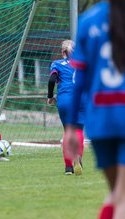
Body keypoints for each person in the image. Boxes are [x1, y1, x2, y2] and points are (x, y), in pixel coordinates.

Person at [64, 1, 125, 219]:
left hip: (100, 122)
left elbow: (79, 81)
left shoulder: (88, 21)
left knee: (116, 192)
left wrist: (71, 128)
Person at [47, 40, 85, 175]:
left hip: (65, 100)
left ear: (63, 52)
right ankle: (78, 160)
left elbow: (52, 80)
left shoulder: (57, 64)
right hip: (81, 100)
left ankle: (68, 167)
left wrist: (50, 96)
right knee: (79, 131)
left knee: (68, 131)